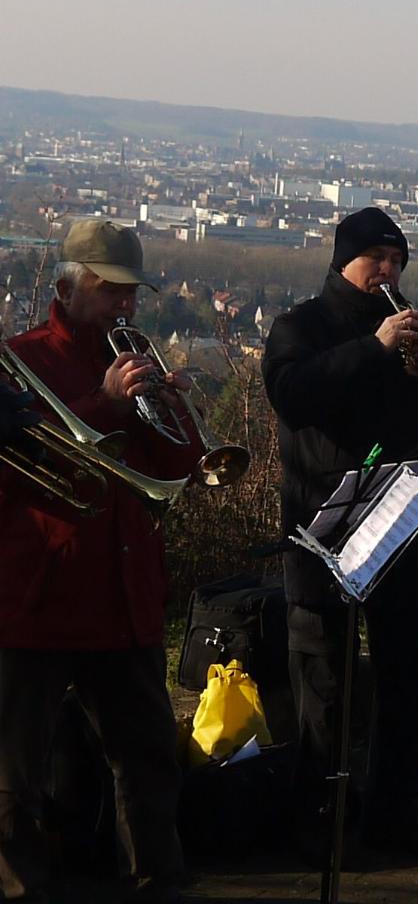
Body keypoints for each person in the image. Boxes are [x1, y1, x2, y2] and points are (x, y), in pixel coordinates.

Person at [262, 206, 418, 861]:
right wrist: (375, 349)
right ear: (343, 260)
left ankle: (394, 816)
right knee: (323, 685)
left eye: (396, 260)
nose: (387, 271)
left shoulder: (407, 328)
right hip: (324, 525)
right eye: (375, 259)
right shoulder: (302, 325)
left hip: (398, 525)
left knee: (404, 679)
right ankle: (317, 821)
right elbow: (293, 394)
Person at [0, 219, 202, 903]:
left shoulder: (136, 359)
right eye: (112, 291)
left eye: (131, 295)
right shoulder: (21, 362)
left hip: (125, 596)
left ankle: (158, 885)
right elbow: (23, 465)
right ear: (71, 284)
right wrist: (104, 403)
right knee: (12, 776)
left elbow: (179, 466)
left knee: (149, 764)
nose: (126, 307)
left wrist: (166, 408)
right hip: (39, 600)